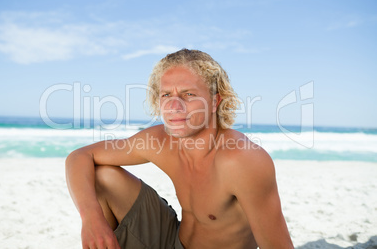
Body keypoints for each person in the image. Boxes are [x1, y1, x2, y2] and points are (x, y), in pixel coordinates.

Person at [66, 49, 294, 249]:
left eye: (189, 94)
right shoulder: (160, 141)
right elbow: (80, 156)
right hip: (171, 240)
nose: (174, 106)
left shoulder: (241, 160)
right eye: (166, 95)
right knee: (102, 176)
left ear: (215, 101)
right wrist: (91, 219)